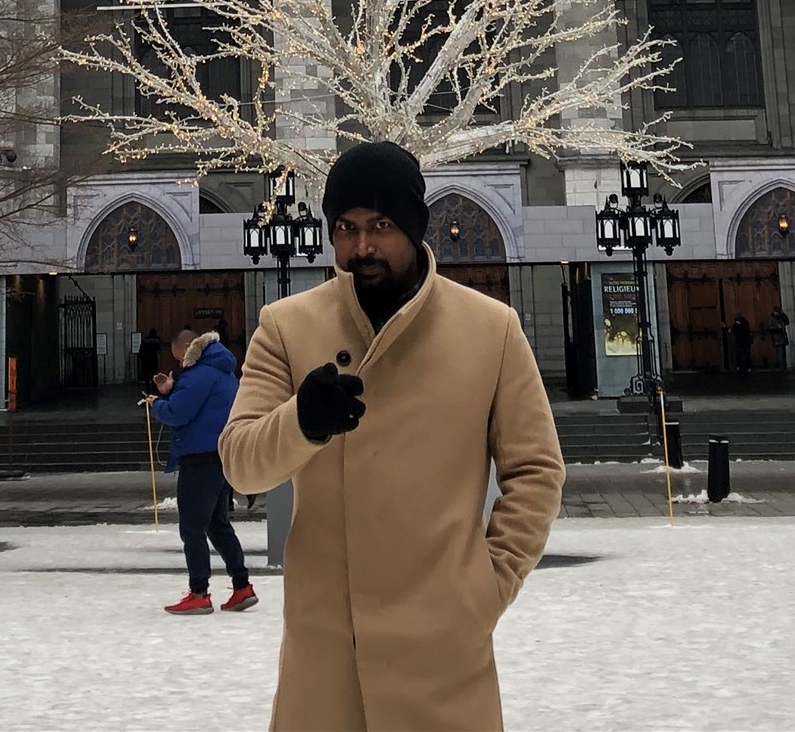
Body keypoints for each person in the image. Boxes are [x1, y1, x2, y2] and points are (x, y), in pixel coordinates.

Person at [219, 141, 565, 732]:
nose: (362, 247)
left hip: (443, 652)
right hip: (327, 658)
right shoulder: (286, 326)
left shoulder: (491, 329)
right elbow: (241, 464)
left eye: (380, 225)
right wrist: (301, 421)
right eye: (346, 228)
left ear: (413, 226)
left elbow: (536, 470)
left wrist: (487, 586)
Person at [147, 329, 258, 616]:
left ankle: (199, 592)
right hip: (220, 455)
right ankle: (242, 586)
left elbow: (179, 413)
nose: (180, 362)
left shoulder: (199, 374)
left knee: (192, 527)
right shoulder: (223, 370)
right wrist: (173, 390)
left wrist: (157, 403)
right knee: (217, 524)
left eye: (179, 357)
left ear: (188, 347)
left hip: (199, 458)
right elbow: (202, 403)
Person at [766, 305, 791, 371]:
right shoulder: (771, 318)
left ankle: (784, 367)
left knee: (783, 354)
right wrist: (777, 328)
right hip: (777, 338)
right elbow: (769, 328)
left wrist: (783, 314)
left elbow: (787, 322)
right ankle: (781, 368)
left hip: (783, 337)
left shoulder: (781, 317)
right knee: (780, 353)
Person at [137, 328, 161, 393]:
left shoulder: (145, 341)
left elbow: (141, 351)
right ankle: (154, 388)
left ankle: (147, 388)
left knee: (146, 377)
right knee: (154, 375)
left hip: (145, 361)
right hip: (153, 361)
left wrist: (142, 358)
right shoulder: (156, 341)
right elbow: (159, 349)